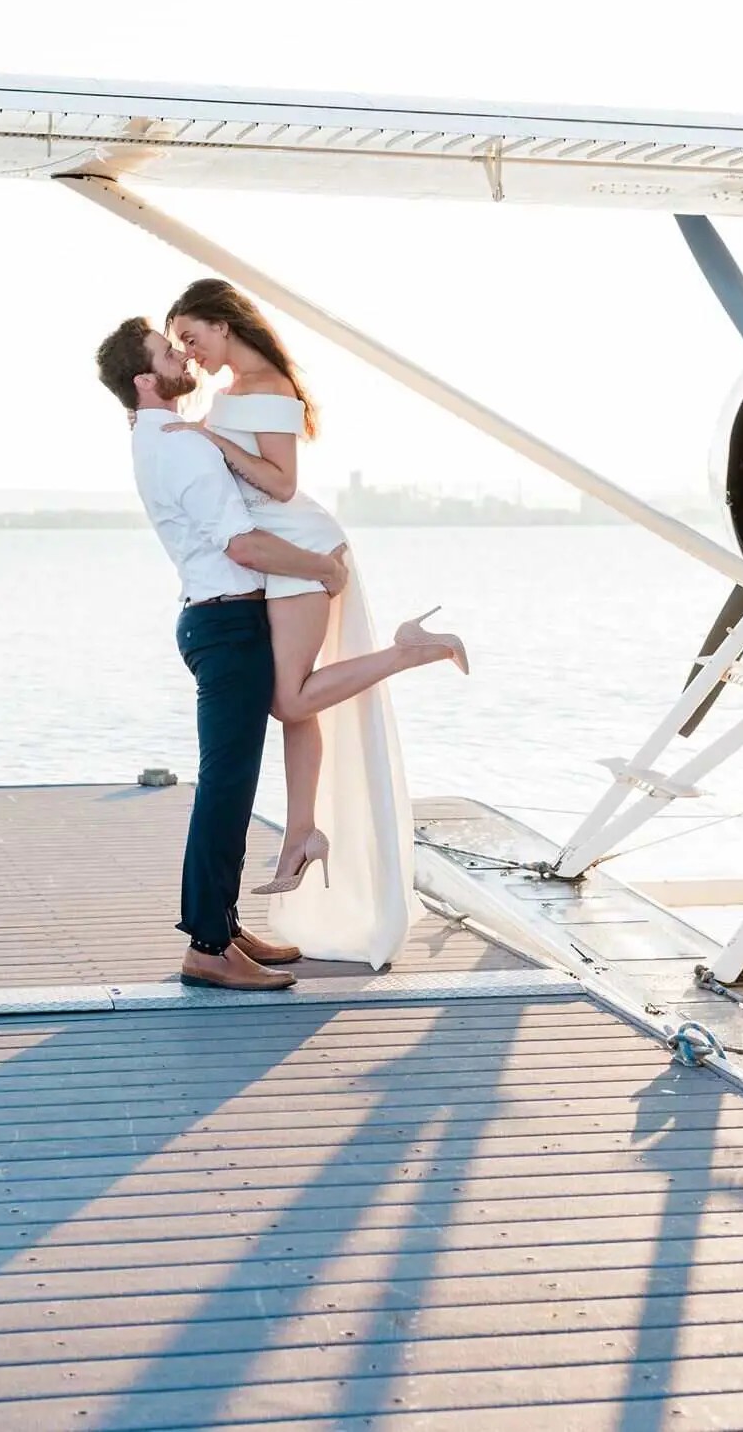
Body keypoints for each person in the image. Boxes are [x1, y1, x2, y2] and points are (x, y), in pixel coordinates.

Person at [160, 278, 467, 970]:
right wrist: (198, 432)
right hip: (279, 559)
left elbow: (281, 483)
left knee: (288, 697)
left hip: (300, 551)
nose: (189, 352)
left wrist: (209, 442)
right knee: (300, 708)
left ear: (224, 321)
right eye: (179, 343)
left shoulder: (267, 386)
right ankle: (304, 831)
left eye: (192, 336)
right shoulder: (230, 391)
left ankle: (406, 651)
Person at [96, 316, 348, 992]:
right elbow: (243, 545)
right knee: (225, 790)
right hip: (226, 625)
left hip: (220, 621)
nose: (181, 356)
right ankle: (207, 945)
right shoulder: (178, 445)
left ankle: (225, 925)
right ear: (146, 379)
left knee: (229, 786)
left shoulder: (163, 435)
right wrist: (320, 568)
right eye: (165, 350)